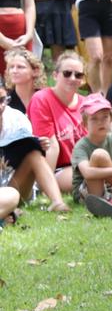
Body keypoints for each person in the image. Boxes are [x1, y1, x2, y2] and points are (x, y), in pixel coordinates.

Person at [0, 81, 70, 213]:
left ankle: (57, 202)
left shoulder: (15, 118)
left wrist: (39, 144)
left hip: (14, 184)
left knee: (33, 154)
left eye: (2, 100)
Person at [27, 52, 89, 194]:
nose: (72, 78)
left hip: (85, 164)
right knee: (91, 176)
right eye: (67, 73)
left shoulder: (86, 104)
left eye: (78, 75)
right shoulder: (42, 99)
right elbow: (52, 147)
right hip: (56, 168)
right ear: (55, 76)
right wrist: (46, 187)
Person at [69, 93, 112, 204]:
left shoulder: (111, 138)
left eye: (105, 117)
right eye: (94, 119)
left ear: (111, 120)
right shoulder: (81, 146)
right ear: (85, 124)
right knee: (99, 155)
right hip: (89, 194)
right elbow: (88, 173)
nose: (100, 122)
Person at [4, 48, 43, 115]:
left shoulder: (44, 97)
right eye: (11, 67)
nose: (14, 71)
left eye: (20, 67)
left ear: (35, 71)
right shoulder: (5, 101)